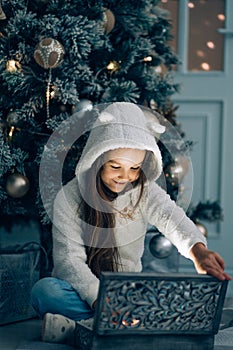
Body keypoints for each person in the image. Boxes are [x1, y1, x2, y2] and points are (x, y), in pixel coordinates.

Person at [31, 102, 231, 344]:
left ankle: (81, 329)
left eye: (134, 168)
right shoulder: (69, 199)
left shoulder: (144, 192)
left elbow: (173, 219)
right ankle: (120, 325)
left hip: (128, 293)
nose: (125, 177)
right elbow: (69, 263)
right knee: (46, 292)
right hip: (85, 295)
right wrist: (102, 302)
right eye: (115, 166)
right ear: (96, 160)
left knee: (169, 298)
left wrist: (198, 251)